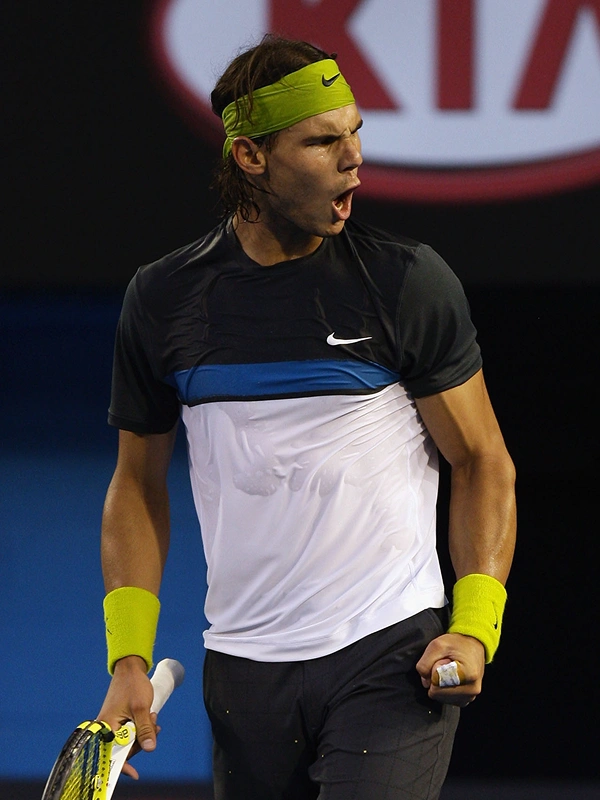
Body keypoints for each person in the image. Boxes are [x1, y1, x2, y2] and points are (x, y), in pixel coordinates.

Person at [98, 34, 516, 800]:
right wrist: (128, 658)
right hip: (244, 672)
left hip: (390, 655)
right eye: (323, 141)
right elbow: (137, 486)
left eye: (355, 132)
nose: (354, 158)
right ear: (251, 158)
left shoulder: (406, 283)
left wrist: (475, 622)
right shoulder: (164, 300)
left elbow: (482, 459)